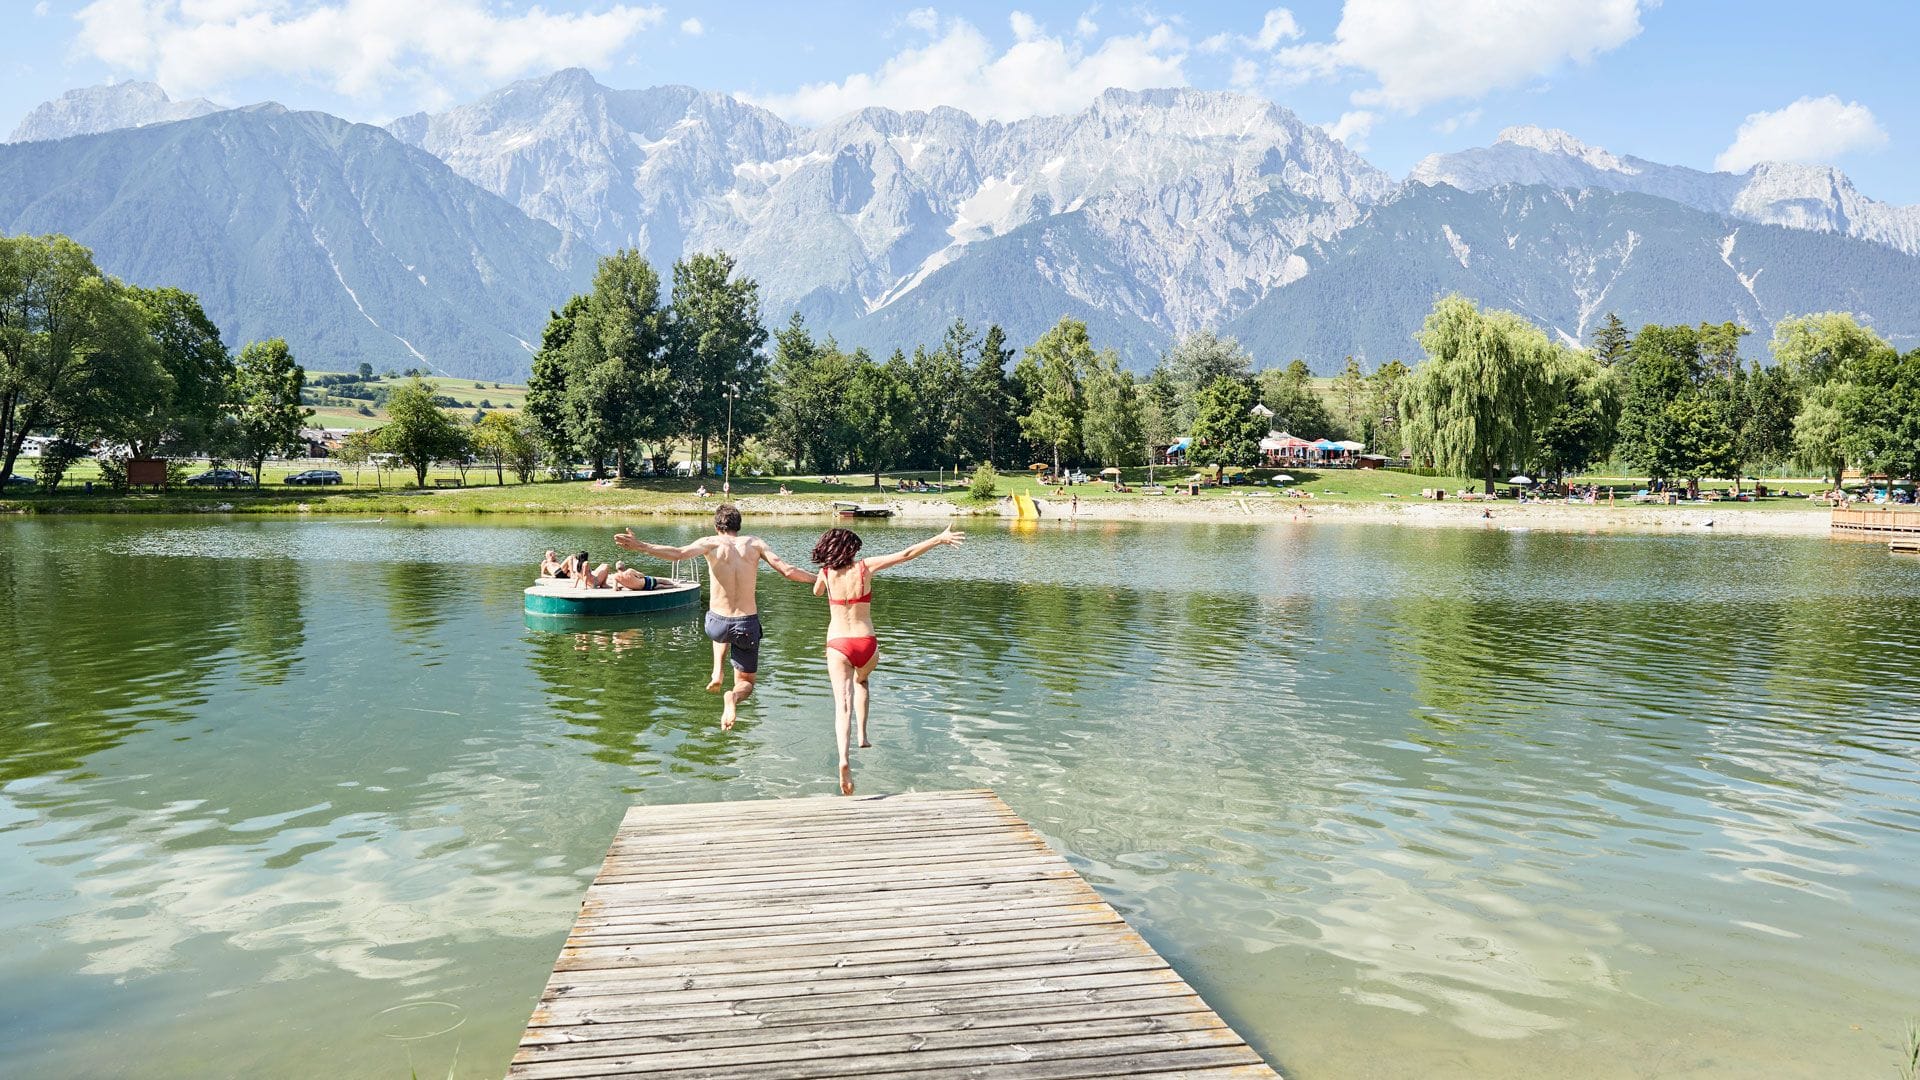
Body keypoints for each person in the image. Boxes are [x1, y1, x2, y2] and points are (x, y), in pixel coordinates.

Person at [614, 505, 813, 729]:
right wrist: (819, 579)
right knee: (746, 682)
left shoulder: (710, 543)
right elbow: (787, 570)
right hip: (746, 624)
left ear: (716, 525)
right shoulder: (755, 544)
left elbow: (678, 554)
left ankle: (717, 671)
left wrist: (642, 546)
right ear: (739, 525)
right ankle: (733, 697)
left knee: (721, 629)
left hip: (717, 624)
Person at [809, 524, 966, 795]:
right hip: (866, 642)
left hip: (837, 644)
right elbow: (906, 554)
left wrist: (823, 577)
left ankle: (844, 759)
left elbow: (816, 593)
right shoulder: (865, 568)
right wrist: (938, 539)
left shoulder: (825, 573)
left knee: (841, 706)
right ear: (851, 550)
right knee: (863, 680)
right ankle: (864, 735)